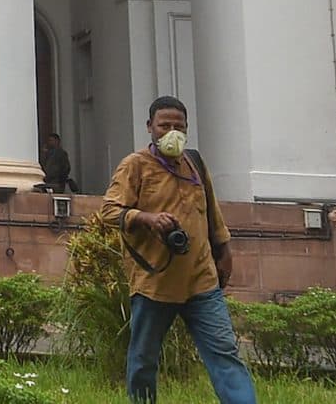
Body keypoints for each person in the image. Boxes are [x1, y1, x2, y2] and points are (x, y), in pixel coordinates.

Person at [100, 97, 255, 404]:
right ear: (150, 128)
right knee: (144, 359)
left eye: (178, 126)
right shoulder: (135, 165)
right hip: (155, 283)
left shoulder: (194, 163)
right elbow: (108, 211)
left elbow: (212, 212)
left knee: (225, 354)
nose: (172, 132)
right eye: (164, 126)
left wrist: (224, 250)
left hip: (201, 280)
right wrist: (145, 218)